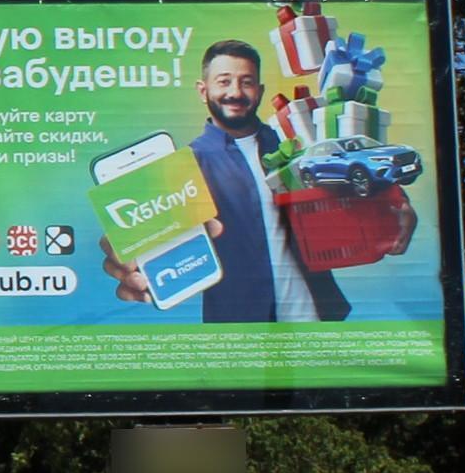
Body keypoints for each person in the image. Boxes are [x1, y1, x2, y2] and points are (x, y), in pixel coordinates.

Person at [106, 39, 413, 322]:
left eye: (246, 82)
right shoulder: (184, 166)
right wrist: (133, 250)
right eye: (224, 81)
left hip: (316, 323)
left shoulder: (299, 143)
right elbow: (146, 238)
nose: (235, 92)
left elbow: (361, 175)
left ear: (261, 91)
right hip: (239, 338)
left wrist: (400, 207)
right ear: (203, 91)